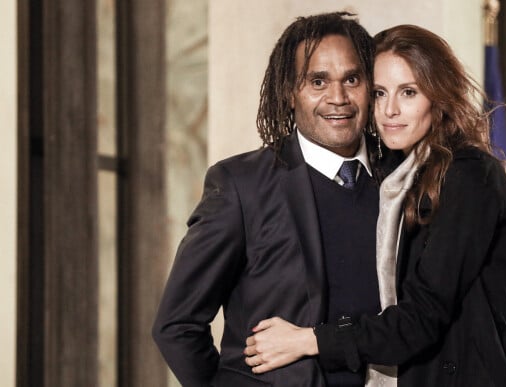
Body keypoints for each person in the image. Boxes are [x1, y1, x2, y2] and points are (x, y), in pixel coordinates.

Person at [243, 24, 506, 387]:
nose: (390, 110)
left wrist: (308, 340)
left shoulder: (469, 176)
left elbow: (421, 319)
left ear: (439, 96)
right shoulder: (400, 180)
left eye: (409, 92)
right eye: (380, 93)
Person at [152, 12, 386, 387]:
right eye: (318, 81)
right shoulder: (241, 186)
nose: (338, 98)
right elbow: (176, 324)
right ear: (290, 93)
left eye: (352, 79)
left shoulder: (399, 181)